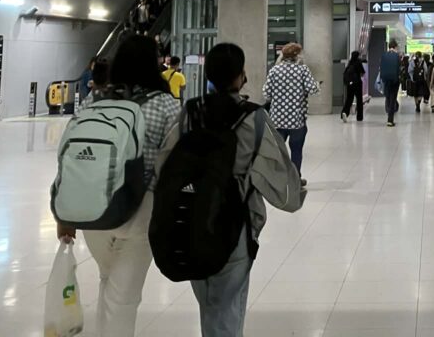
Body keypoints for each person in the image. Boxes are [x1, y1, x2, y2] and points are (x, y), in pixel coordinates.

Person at [55, 35, 180, 337]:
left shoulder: (93, 100)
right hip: (140, 209)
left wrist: (63, 214)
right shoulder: (165, 104)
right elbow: (172, 166)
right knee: (123, 297)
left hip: (92, 205)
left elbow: (70, 156)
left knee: (107, 279)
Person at [186, 43, 304, 336]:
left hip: (190, 218)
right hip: (234, 222)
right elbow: (279, 176)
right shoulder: (254, 118)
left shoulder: (189, 113)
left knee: (209, 303)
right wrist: (294, 193)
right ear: (241, 77)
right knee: (228, 306)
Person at [262, 42, 319, 186]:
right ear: (297, 55)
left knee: (278, 151)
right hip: (296, 119)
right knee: (296, 151)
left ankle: (278, 179)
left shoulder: (275, 70)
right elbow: (313, 89)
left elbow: (266, 93)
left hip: (277, 119)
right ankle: (295, 180)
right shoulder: (302, 70)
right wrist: (316, 85)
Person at [379, 39, 401, 127]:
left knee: (388, 97)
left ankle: (388, 111)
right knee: (393, 98)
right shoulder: (397, 56)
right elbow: (399, 68)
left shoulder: (384, 55)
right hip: (395, 80)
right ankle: (390, 119)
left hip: (386, 79)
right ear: (395, 47)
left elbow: (381, 67)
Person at [341, 51, 365, 123]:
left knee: (349, 99)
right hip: (357, 83)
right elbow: (362, 73)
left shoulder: (350, 63)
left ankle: (345, 112)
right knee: (359, 100)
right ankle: (359, 117)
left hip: (350, 84)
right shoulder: (358, 62)